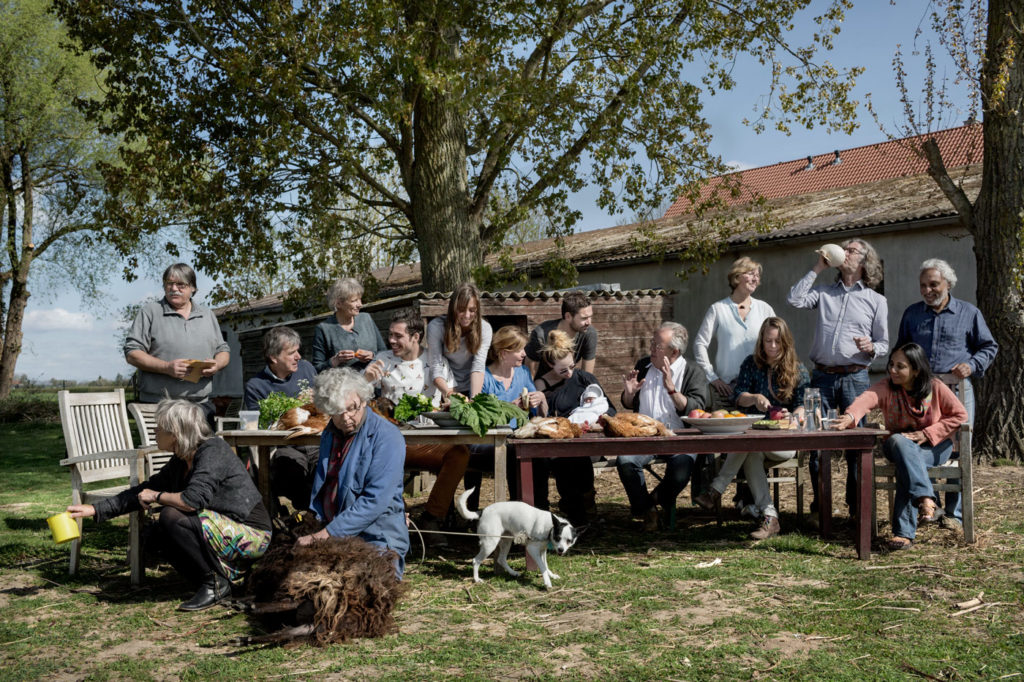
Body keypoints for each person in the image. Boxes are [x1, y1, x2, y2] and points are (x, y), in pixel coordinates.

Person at [67, 399, 271, 611]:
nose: (154, 431)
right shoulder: (181, 460)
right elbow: (146, 488)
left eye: (158, 428)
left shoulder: (213, 450)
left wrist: (156, 496)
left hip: (253, 533)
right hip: (222, 528)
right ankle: (215, 579)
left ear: (174, 433)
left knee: (172, 516)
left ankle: (215, 584)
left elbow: (191, 501)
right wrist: (95, 509)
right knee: (155, 534)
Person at [787, 238, 888, 517]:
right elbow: (794, 299)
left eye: (851, 250)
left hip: (856, 379)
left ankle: (856, 510)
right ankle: (821, 508)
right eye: (843, 248)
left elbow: (884, 343)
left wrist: (871, 347)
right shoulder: (824, 293)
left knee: (856, 445)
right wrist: (818, 267)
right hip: (822, 379)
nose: (845, 252)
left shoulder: (876, 300)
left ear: (865, 261)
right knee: (818, 443)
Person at [832, 343, 967, 550]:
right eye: (891, 364)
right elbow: (866, 399)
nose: (893, 370)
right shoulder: (887, 387)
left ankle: (904, 533)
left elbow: (960, 415)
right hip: (897, 448)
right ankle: (925, 499)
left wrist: (927, 433)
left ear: (916, 370)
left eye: (900, 366)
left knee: (907, 465)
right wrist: (850, 416)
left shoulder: (935, 387)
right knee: (897, 441)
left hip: (935, 448)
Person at [896, 258, 997, 528]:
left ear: (948, 284)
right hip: (919, 395)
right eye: (923, 286)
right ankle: (932, 506)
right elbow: (900, 351)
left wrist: (972, 365)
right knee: (922, 445)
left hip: (957, 392)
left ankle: (954, 516)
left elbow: (988, 347)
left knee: (956, 449)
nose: (928, 290)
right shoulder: (912, 314)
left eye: (933, 285)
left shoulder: (969, 313)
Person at [694, 317, 809, 538]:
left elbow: (803, 405)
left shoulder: (797, 369)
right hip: (754, 437)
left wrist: (791, 417)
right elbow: (738, 396)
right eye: (768, 341)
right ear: (761, 341)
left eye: (777, 341)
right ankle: (770, 517)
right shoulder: (751, 363)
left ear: (785, 342)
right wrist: (754, 398)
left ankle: (716, 488)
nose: (772, 346)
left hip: (784, 440)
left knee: (748, 445)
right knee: (751, 450)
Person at [363, 310, 469, 546]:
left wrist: (451, 403)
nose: (391, 340)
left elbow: (450, 394)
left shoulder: (434, 360)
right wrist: (366, 379)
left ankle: (432, 518)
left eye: (397, 336)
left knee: (459, 452)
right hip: (390, 441)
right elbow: (356, 397)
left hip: (428, 440)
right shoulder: (383, 359)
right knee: (372, 456)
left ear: (415, 337)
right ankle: (397, 518)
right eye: (390, 334)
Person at [299, 368, 410, 578]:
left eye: (353, 408)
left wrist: (326, 535)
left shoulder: (387, 437)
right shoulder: (330, 433)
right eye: (338, 413)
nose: (347, 417)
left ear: (364, 400)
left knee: (361, 582)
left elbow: (374, 501)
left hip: (375, 535)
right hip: (332, 530)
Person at [616, 322, 709, 530]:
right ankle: (648, 510)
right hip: (644, 436)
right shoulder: (643, 366)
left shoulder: (693, 371)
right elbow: (628, 403)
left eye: (657, 346)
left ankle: (653, 500)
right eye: (652, 343)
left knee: (681, 468)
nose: (651, 349)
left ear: (674, 351)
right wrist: (629, 394)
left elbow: (697, 408)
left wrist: (672, 390)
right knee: (625, 461)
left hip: (680, 438)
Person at [124, 263, 230, 424]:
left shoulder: (207, 315)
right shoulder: (150, 312)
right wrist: (166, 367)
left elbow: (223, 350)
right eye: (169, 283)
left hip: (201, 405)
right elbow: (132, 353)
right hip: (159, 405)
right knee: (161, 449)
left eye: (181, 285)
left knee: (204, 449)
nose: (174, 288)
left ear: (193, 287)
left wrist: (217, 364)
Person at [463, 325, 548, 512]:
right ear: (503, 353)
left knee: (538, 455)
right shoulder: (484, 377)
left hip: (517, 439)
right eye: (519, 350)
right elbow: (481, 417)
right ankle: (517, 510)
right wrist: (510, 408)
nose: (524, 353)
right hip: (487, 441)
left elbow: (539, 415)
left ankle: (540, 510)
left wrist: (541, 399)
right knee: (512, 453)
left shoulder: (523, 373)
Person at [534, 329, 614, 526]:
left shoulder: (585, 378)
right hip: (560, 441)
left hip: (587, 438)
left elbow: (608, 407)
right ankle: (577, 511)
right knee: (565, 459)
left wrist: (599, 419)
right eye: (563, 370)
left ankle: (583, 505)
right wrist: (543, 403)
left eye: (572, 366)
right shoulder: (542, 385)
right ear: (550, 364)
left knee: (576, 456)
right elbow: (542, 419)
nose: (569, 374)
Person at [243, 326, 319, 510]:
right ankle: (306, 513)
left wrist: (317, 400)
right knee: (290, 467)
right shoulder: (256, 386)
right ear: (274, 357)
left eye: (298, 351)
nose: (298, 357)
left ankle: (319, 514)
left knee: (331, 465)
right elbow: (257, 428)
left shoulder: (307, 369)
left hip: (316, 440)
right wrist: (292, 409)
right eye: (292, 353)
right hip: (285, 444)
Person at [693, 257, 776, 410]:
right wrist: (712, 377)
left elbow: (778, 341)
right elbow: (700, 344)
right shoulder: (718, 309)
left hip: (760, 387)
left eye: (758, 275)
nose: (755, 278)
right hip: (727, 389)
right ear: (737, 277)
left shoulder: (765, 309)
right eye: (751, 273)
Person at [427, 282, 493, 398]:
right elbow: (436, 366)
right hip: (446, 387)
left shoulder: (485, 328)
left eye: (472, 310)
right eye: (461, 310)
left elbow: (478, 366)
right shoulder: (436, 327)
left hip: (474, 385)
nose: (467, 315)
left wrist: (474, 399)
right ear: (453, 308)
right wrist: (449, 394)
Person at [311, 277, 387, 372]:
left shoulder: (366, 319)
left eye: (360, 299)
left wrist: (372, 355)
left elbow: (384, 352)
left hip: (373, 382)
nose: (360, 304)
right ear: (338, 303)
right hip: (343, 385)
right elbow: (316, 369)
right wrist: (335, 360)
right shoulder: (324, 329)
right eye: (354, 300)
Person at [524, 290, 597, 378]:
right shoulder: (541, 335)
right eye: (584, 318)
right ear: (568, 316)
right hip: (541, 385)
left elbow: (587, 376)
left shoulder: (589, 333)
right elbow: (528, 376)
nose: (589, 322)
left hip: (568, 382)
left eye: (590, 317)